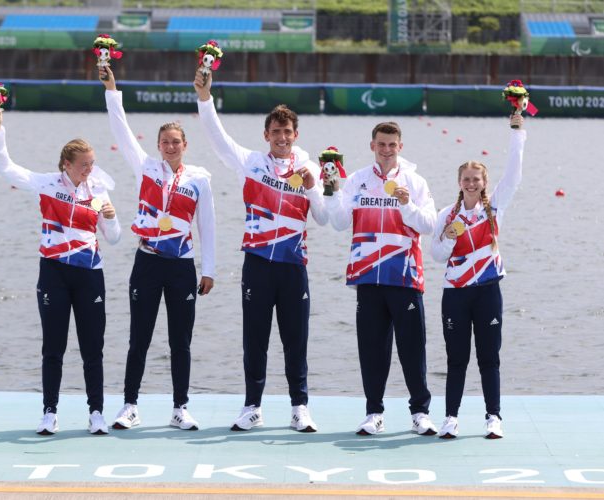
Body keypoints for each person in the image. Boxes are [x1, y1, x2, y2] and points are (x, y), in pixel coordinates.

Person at [193, 68, 329, 432]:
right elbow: (218, 139)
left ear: (295, 135)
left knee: (294, 340)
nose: (282, 137)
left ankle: (300, 407)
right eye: (276, 132)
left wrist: (317, 188)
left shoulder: (308, 167)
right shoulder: (251, 163)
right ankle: (252, 406)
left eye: (288, 132)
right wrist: (205, 99)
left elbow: (324, 217)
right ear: (266, 135)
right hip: (257, 263)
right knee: (255, 340)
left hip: (292, 265)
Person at [0, 107, 121, 436]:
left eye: (92, 163)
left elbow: (115, 238)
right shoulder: (46, 184)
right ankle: (49, 413)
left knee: (93, 348)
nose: (90, 169)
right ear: (67, 165)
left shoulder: (98, 193)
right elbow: (5, 168)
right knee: (53, 347)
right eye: (84, 164)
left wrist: (112, 216)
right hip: (53, 274)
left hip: (90, 274)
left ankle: (96, 413)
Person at [100, 66, 215, 431]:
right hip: (147, 262)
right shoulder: (145, 167)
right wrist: (112, 88)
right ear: (157, 145)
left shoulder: (199, 179)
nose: (170, 146)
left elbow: (207, 226)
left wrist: (208, 268)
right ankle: (130, 406)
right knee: (140, 339)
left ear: (185, 145)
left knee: (180, 342)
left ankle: (180, 407)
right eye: (164, 141)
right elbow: (119, 126)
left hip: (182, 266)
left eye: (176, 142)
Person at [325, 122, 438, 436]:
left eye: (392, 145)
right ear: (372, 146)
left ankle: (420, 414)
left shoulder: (414, 182)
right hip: (368, 277)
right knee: (373, 349)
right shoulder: (357, 180)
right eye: (381, 145)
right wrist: (331, 191)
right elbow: (337, 222)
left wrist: (407, 204)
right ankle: (374, 412)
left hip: (404, 276)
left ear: (400, 147)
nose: (386, 150)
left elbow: (429, 225)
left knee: (412, 349)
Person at [431, 114, 526, 439]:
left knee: (489, 358)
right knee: (456, 359)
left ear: (484, 183)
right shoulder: (447, 214)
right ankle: (451, 419)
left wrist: (517, 132)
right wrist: (449, 236)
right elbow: (437, 255)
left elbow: (514, 175)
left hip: (487, 291)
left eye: (476, 179)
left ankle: (493, 418)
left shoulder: (495, 207)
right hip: (455, 294)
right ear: (459, 182)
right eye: (466, 179)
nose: (471, 184)